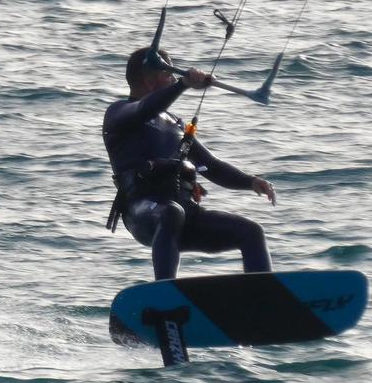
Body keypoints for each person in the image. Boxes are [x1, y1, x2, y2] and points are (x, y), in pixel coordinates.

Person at [103, 47, 277, 281]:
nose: (173, 79)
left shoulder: (175, 125)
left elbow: (210, 166)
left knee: (251, 232)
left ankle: (265, 296)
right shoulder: (119, 113)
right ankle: (165, 290)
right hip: (142, 211)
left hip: (183, 213)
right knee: (172, 213)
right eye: (169, 75)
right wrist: (183, 84)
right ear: (150, 79)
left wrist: (251, 181)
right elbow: (145, 108)